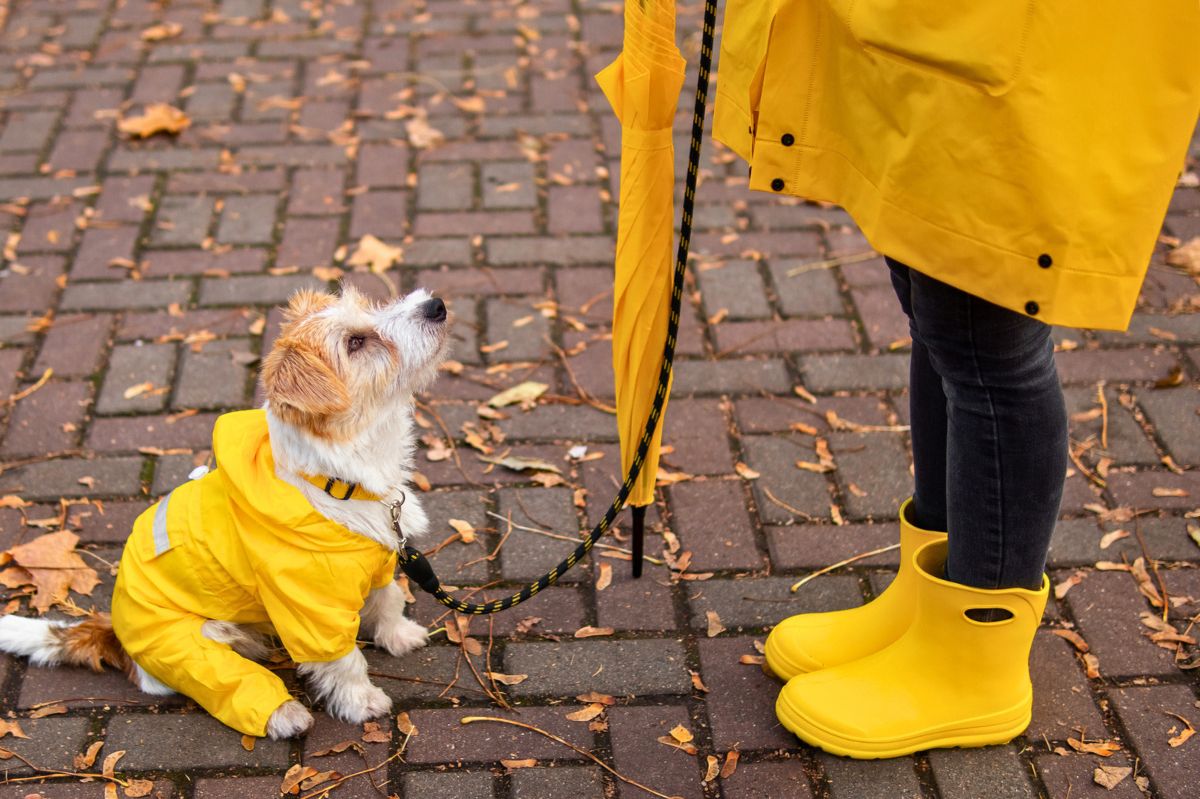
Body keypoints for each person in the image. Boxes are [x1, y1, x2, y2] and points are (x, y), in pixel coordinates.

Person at [711, 1, 1200, 758]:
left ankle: (977, 662)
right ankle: (932, 592)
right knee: (938, 298)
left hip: (1023, 44)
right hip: (944, 34)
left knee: (985, 341)